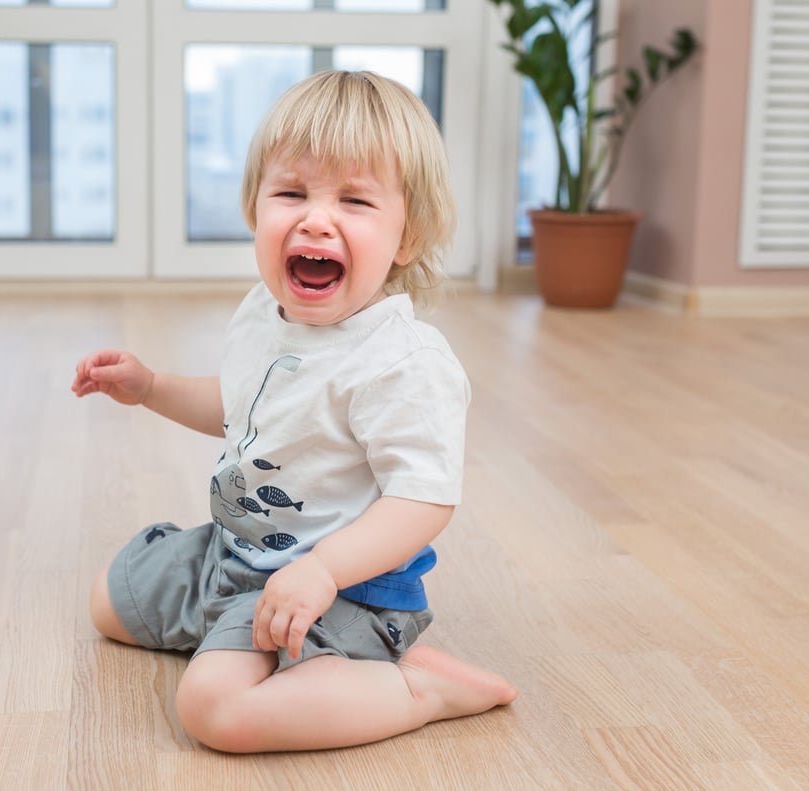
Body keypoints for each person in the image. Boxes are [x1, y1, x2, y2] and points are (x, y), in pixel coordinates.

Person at [72, 70, 517, 753]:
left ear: (408, 236)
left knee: (214, 710)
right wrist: (152, 386)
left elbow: (422, 499)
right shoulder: (264, 313)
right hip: (237, 554)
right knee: (110, 602)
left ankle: (413, 687)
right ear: (255, 209)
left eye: (354, 200)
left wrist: (325, 569)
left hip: (347, 589)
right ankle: (248, 635)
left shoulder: (401, 362)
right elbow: (244, 407)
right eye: (290, 193)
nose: (316, 218)